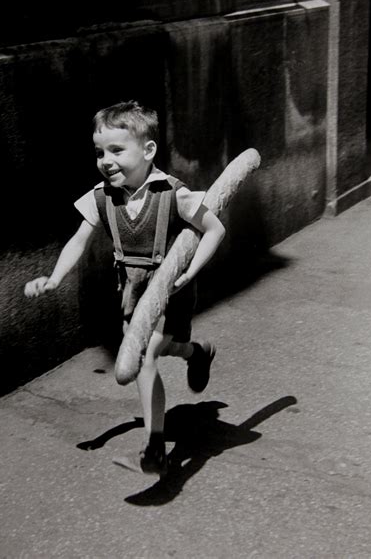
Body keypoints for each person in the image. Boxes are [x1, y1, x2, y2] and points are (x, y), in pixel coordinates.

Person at [24, 100, 225, 476]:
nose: (106, 160)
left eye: (117, 150)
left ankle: (154, 450)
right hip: (132, 292)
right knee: (159, 350)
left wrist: (189, 272)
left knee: (145, 357)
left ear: (148, 151)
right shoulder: (101, 197)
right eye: (100, 151)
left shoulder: (172, 194)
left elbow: (215, 230)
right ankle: (196, 352)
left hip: (169, 289)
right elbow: (79, 240)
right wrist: (54, 278)